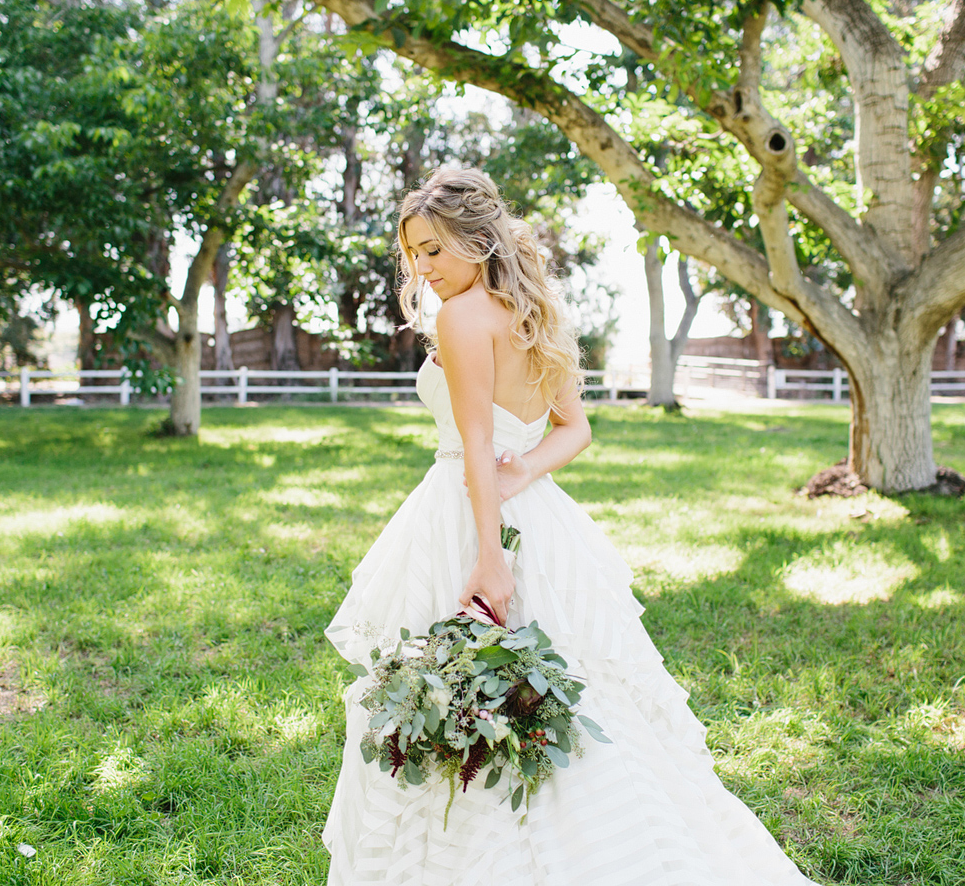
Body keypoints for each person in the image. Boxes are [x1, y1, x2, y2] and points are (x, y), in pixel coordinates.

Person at [322, 168, 816, 884]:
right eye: (413, 255)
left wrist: (489, 557)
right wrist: (523, 472)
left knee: (478, 693)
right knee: (564, 687)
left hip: (474, 517)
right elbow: (574, 431)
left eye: (432, 250)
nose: (421, 269)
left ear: (477, 239)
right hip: (538, 514)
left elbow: (472, 445)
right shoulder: (531, 311)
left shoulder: (462, 318)